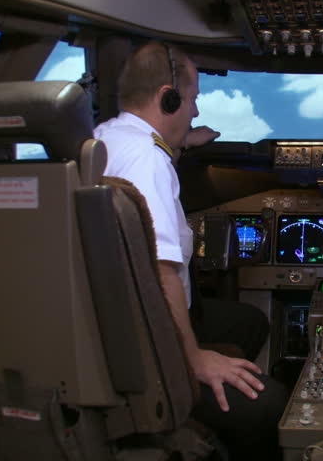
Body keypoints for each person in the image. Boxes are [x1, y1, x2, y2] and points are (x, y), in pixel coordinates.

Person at [94, 41, 287, 458]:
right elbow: (163, 273)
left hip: (113, 320)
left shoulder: (104, 139)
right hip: (149, 337)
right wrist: (193, 358)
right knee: (270, 406)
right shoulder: (149, 162)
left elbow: (144, 161)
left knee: (249, 323)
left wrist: (181, 144)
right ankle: (203, 430)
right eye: (193, 99)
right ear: (169, 97)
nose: (195, 111)